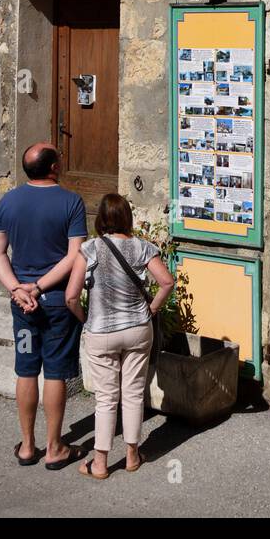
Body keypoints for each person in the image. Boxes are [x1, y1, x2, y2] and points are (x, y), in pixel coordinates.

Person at [0, 142, 88, 470]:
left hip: (22, 306)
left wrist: (17, 288)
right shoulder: (71, 202)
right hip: (57, 302)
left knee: (26, 368)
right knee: (56, 372)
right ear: (55, 167)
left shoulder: (8, 201)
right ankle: (55, 447)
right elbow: (74, 255)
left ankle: (28, 446)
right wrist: (40, 286)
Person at [66, 193, 175, 480]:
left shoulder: (89, 249)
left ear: (101, 219)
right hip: (138, 329)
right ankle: (131, 455)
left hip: (101, 331)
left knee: (106, 398)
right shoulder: (141, 247)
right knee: (134, 393)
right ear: (128, 218)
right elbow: (167, 282)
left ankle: (100, 462)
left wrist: (85, 319)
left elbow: (71, 297)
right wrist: (150, 308)